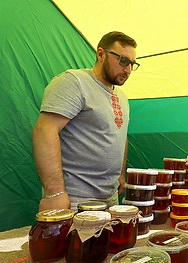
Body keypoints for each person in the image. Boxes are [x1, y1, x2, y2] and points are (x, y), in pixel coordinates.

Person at [32, 31, 139, 212]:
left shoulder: (121, 96)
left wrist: (121, 174)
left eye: (132, 64)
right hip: (76, 199)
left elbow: (120, 135)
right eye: (123, 61)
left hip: (110, 198)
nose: (128, 69)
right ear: (101, 54)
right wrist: (54, 192)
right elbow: (44, 131)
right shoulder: (74, 82)